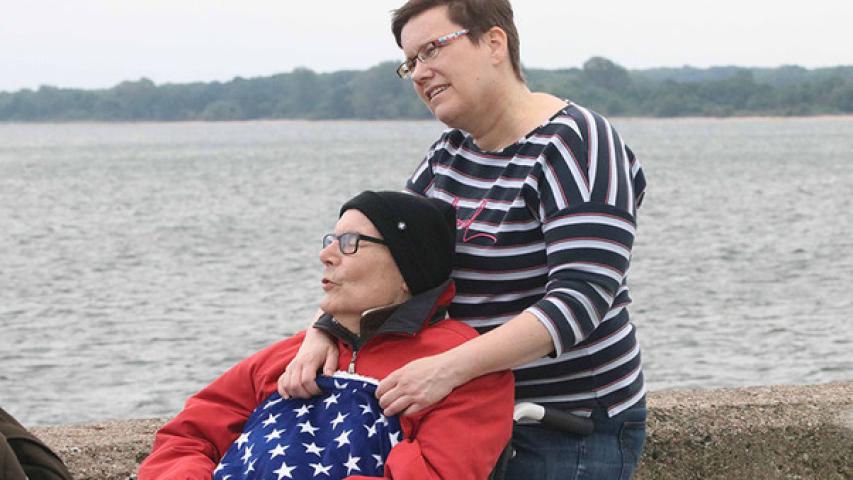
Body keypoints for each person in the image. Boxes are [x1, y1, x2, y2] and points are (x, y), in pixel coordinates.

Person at [278, 1, 649, 478]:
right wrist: (323, 329)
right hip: (469, 413)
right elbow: (391, 263)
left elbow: (580, 299)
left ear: (494, 43)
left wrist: (447, 369)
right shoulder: (448, 155)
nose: (419, 73)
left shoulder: (577, 143)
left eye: (432, 50)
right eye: (410, 62)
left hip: (565, 425)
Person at [138, 191, 514, 480]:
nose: (327, 255)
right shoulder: (289, 356)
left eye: (350, 243)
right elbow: (185, 438)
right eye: (331, 240)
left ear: (407, 269)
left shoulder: (459, 367)